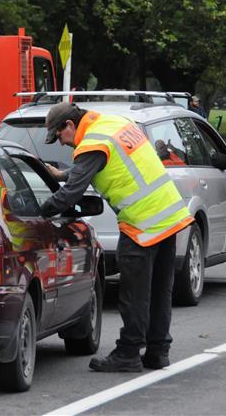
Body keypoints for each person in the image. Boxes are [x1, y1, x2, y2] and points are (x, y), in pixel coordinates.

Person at [38, 102, 193, 372]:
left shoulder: (91, 143)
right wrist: (62, 173)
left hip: (142, 222)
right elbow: (97, 165)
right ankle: (158, 351)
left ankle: (129, 353)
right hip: (168, 216)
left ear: (70, 125)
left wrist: (40, 212)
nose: (62, 144)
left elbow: (71, 193)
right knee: (159, 290)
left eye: (60, 137)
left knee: (134, 293)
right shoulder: (113, 124)